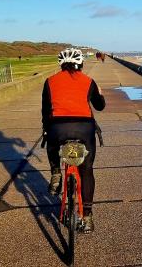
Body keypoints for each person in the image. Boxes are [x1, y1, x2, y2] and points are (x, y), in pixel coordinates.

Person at [42, 48, 105, 233]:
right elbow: (99, 107)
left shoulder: (50, 81)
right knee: (87, 172)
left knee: (51, 137)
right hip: (84, 129)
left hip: (58, 129)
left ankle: (55, 173)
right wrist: (99, 94)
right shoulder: (88, 81)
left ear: (61, 64)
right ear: (81, 64)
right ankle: (87, 218)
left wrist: (47, 130)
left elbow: (46, 112)